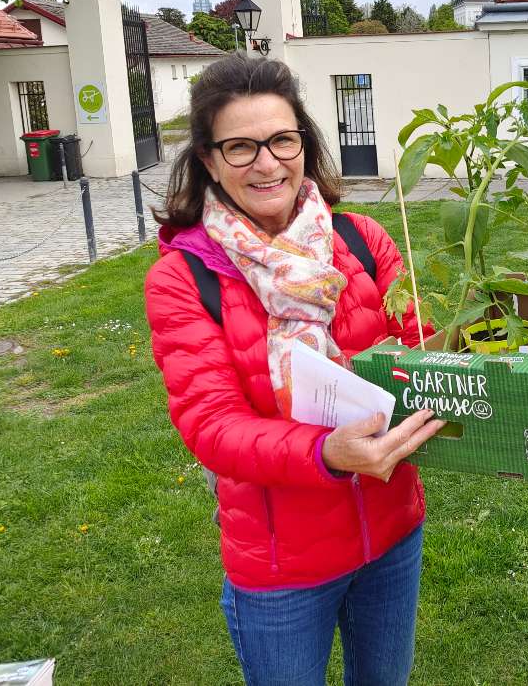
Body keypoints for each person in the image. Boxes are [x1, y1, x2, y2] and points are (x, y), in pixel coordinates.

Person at [144, 55, 444, 686]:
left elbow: (423, 351)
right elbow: (212, 426)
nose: (267, 163)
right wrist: (327, 454)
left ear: (304, 143)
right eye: (240, 146)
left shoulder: (360, 240)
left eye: (282, 140)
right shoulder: (185, 278)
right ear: (207, 159)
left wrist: (484, 330)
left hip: (391, 531)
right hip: (282, 564)